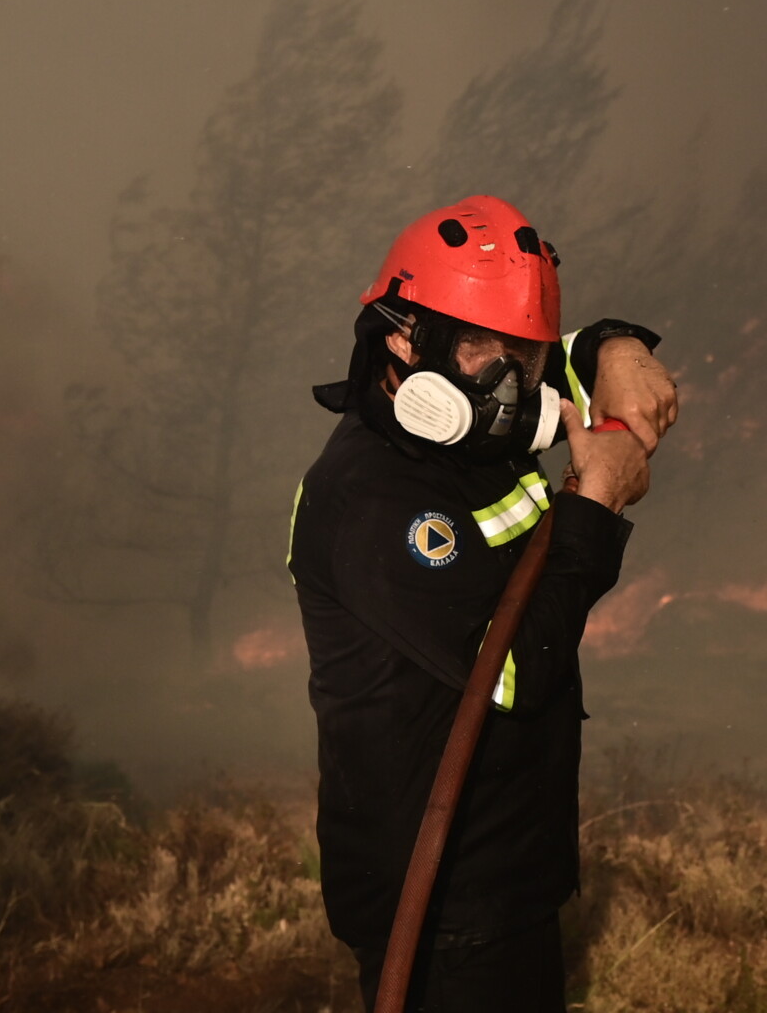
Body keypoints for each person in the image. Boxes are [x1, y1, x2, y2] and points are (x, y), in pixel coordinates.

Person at [289, 194, 677, 1011]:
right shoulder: (371, 498)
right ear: (402, 338)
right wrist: (594, 509)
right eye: (476, 348)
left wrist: (613, 344)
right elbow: (514, 671)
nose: (507, 382)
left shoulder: (473, 429)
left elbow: (563, 364)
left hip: (506, 877)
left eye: (524, 358)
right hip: (435, 911)